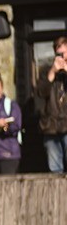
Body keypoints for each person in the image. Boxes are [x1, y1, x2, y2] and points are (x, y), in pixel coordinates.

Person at [35, 36, 67, 173]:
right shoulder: (46, 71)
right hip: (51, 126)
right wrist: (52, 72)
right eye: (58, 54)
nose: (62, 57)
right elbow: (41, 93)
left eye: (64, 53)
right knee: (55, 169)